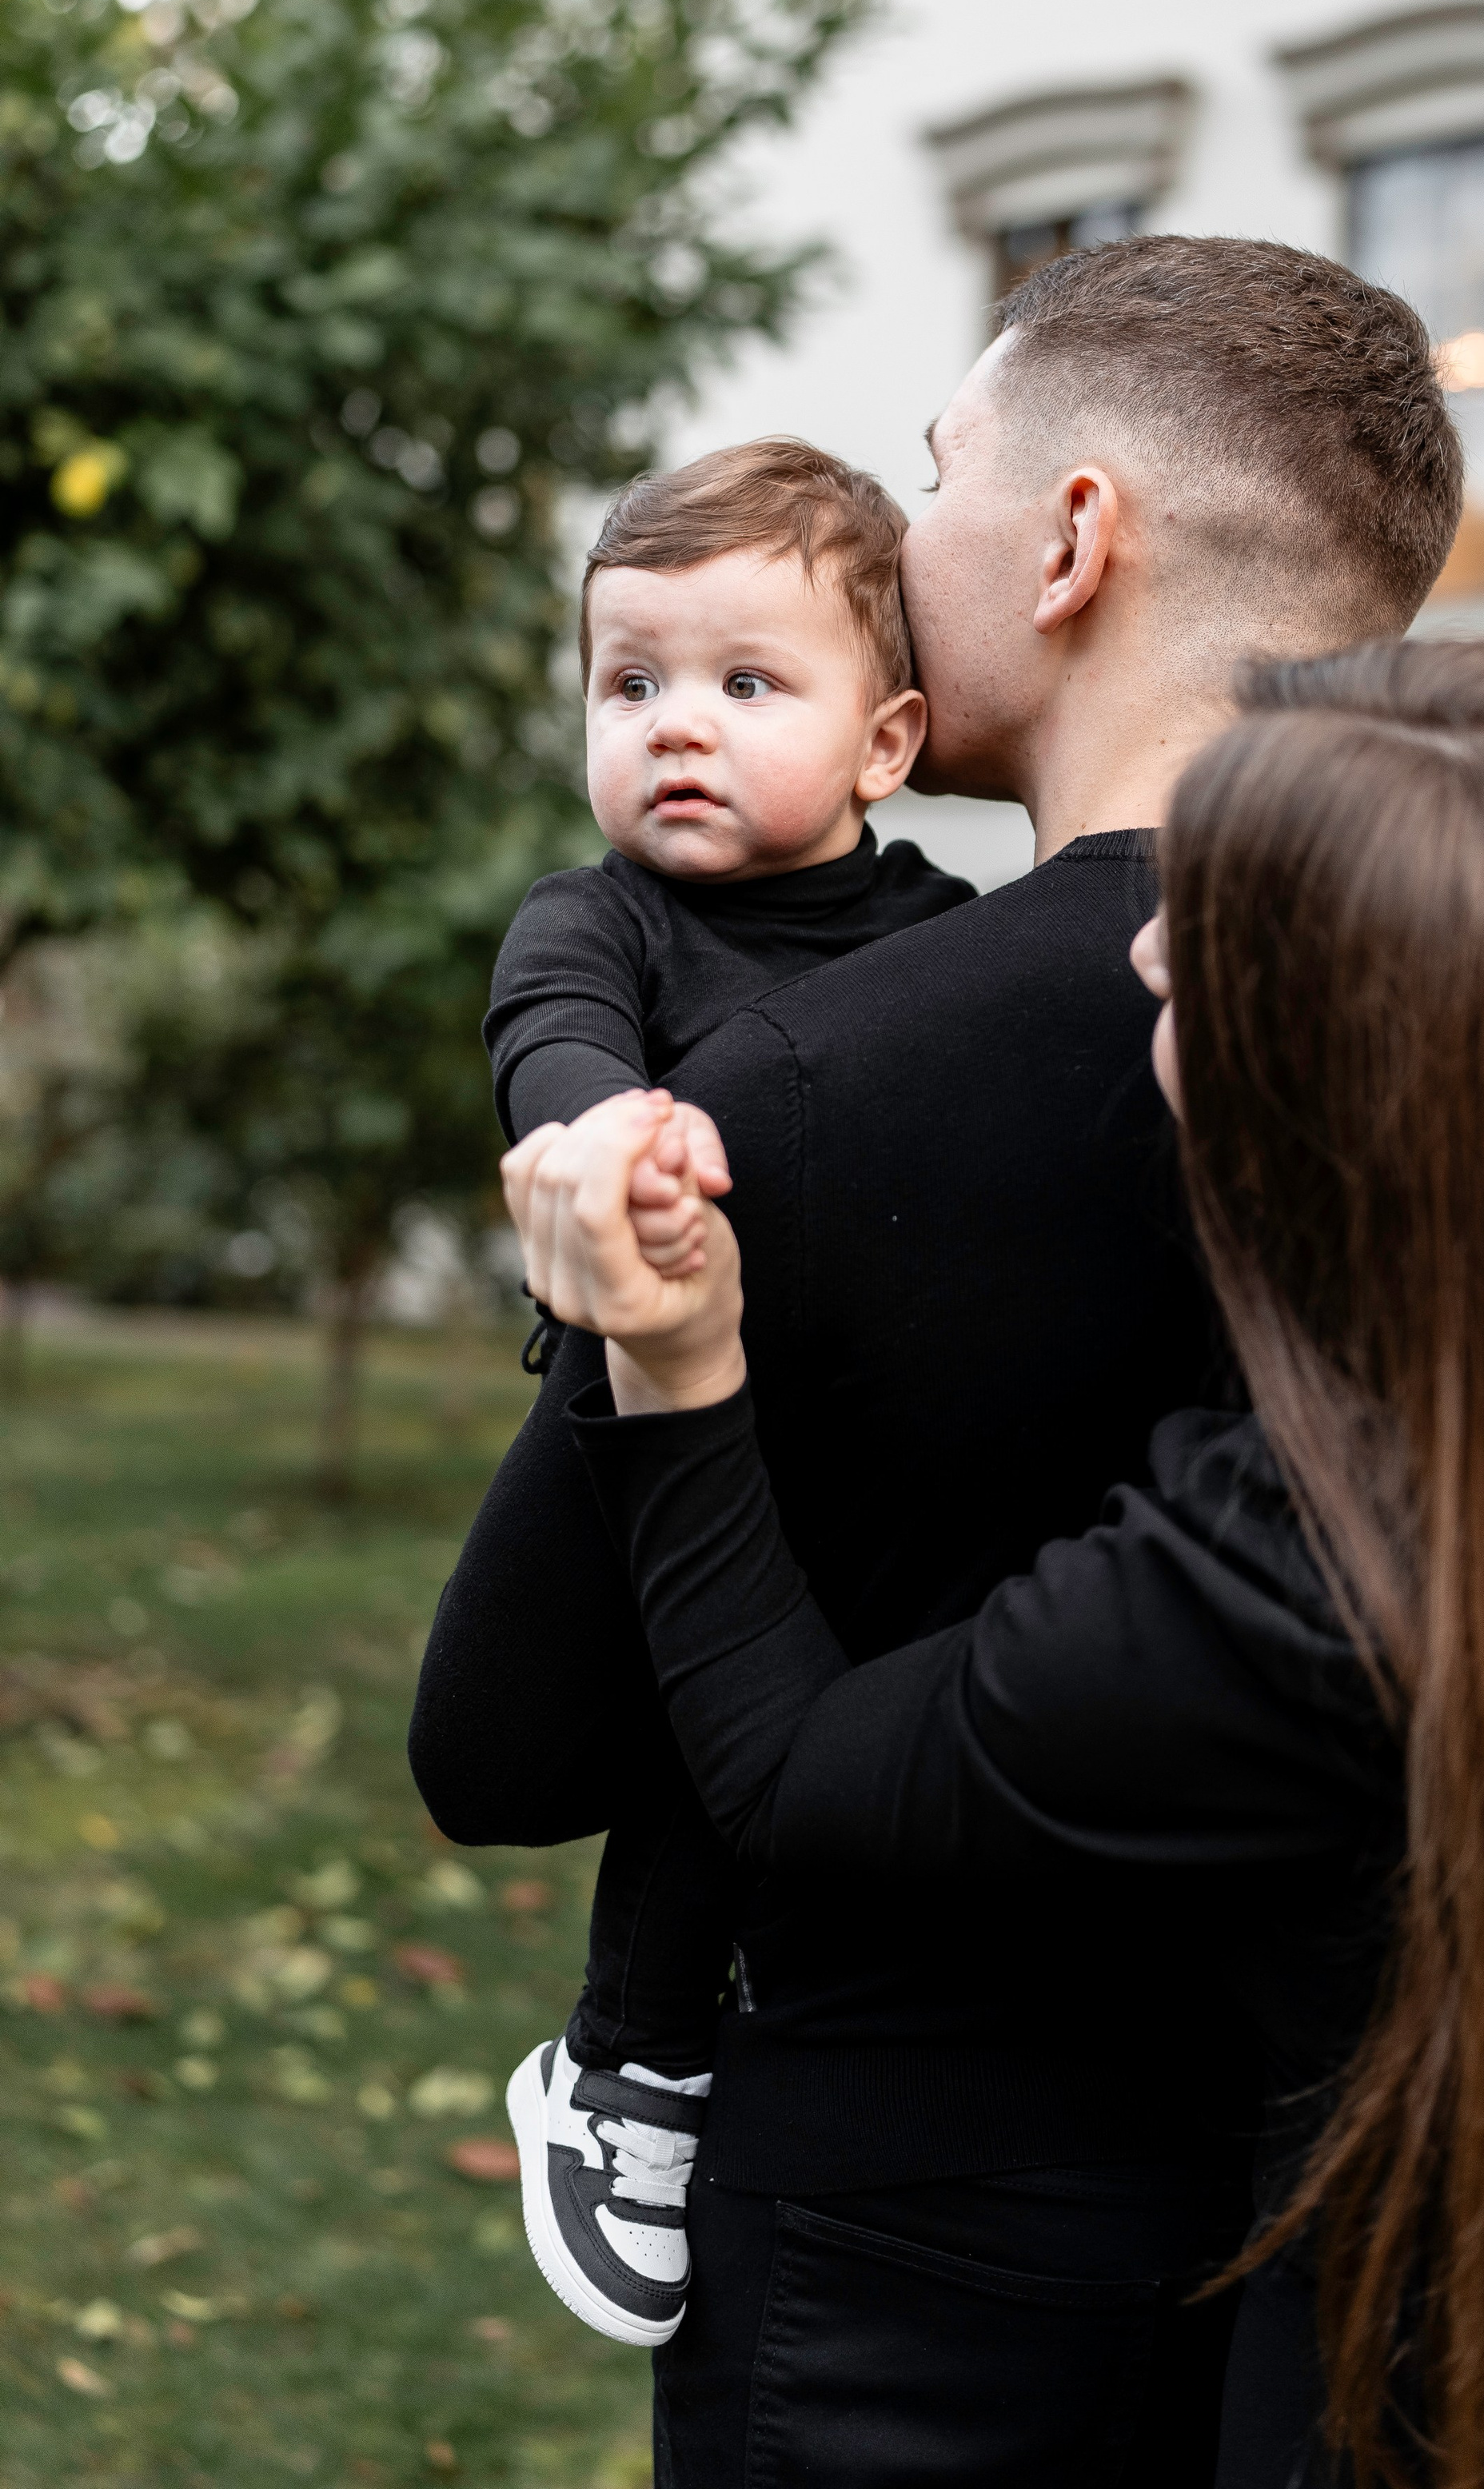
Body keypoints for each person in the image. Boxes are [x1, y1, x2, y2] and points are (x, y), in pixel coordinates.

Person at [409, 237, 1484, 2484]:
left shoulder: (818, 1092)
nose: (899, 520)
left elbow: (498, 1743)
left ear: (1070, 540)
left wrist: (655, 1348)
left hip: (933, 2283)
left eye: (936, 470)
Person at [480, 437, 972, 2345]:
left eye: (746, 684)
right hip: (649, 1423)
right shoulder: (594, 918)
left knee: (827, 1713)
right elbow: (554, 1038)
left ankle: (765, 1998)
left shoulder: (943, 941)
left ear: (886, 740)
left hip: (866, 1422)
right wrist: (610, 1138)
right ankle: (625, 2057)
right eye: (632, 683)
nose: (676, 727)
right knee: (694, 1740)